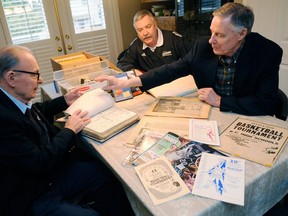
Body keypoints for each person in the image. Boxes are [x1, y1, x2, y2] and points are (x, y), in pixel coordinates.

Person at [0, 45, 135, 216]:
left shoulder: (12, 98)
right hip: (31, 196)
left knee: (103, 174)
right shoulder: (3, 120)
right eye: (35, 75)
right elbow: (40, 162)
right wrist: (69, 130)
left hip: (49, 176)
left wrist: (64, 100)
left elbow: (35, 110)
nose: (40, 80)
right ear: (12, 78)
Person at [96, 3, 283, 117]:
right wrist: (127, 82)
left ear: (242, 33)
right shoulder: (203, 47)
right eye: (211, 32)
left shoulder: (267, 53)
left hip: (245, 117)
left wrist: (220, 101)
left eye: (219, 35)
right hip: (211, 117)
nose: (211, 40)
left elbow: (266, 104)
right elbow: (170, 70)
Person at [117, 10, 192, 75]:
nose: (145, 33)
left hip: (178, 83)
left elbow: (195, 60)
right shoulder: (136, 45)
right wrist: (134, 71)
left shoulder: (175, 39)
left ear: (155, 25)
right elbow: (121, 64)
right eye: (140, 30)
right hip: (152, 86)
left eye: (148, 26)